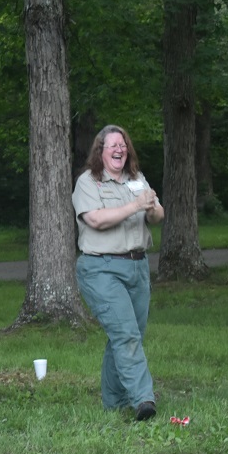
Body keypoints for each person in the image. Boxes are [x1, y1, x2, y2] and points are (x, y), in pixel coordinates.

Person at [72, 125, 164, 421]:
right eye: (112, 145)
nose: (118, 149)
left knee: (126, 334)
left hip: (137, 266)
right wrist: (136, 204)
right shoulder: (88, 182)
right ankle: (143, 400)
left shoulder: (136, 180)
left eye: (122, 145)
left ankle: (114, 403)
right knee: (125, 335)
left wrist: (150, 208)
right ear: (100, 151)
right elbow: (96, 219)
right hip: (101, 268)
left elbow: (158, 214)